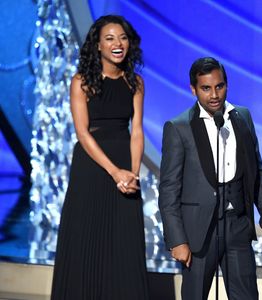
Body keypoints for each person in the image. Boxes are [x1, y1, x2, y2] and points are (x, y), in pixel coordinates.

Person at [158, 57, 262, 300]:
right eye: (206, 88)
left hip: (237, 225)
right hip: (198, 233)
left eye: (219, 86)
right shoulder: (179, 127)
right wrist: (177, 240)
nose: (214, 94)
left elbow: (256, 172)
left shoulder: (242, 117)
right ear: (193, 89)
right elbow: (169, 189)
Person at [51, 15, 149, 299]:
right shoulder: (81, 82)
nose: (118, 44)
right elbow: (82, 133)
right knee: (86, 240)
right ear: (97, 45)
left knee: (123, 242)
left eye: (122, 37)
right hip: (92, 166)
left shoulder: (136, 83)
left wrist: (132, 173)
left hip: (125, 166)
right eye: (110, 38)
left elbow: (137, 131)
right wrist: (114, 171)